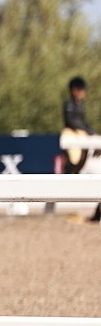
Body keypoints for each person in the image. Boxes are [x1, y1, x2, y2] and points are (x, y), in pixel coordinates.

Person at [62, 76, 100, 222]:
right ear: (75, 90)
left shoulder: (80, 104)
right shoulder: (69, 104)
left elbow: (83, 122)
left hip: (81, 133)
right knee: (75, 155)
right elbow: (72, 121)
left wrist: (90, 131)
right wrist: (86, 130)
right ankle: (72, 169)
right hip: (72, 135)